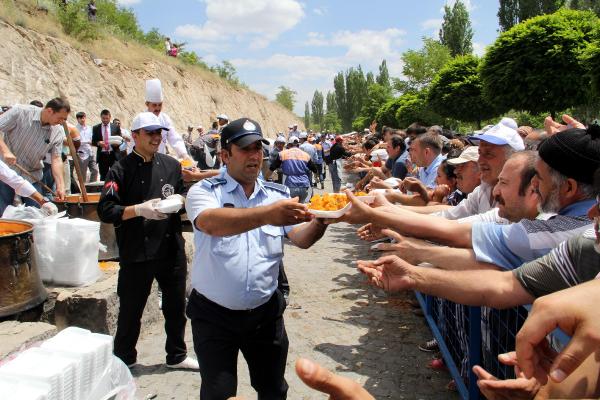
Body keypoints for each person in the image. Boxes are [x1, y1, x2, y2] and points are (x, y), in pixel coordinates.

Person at [185, 117, 328, 399]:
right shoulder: (204, 191)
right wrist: (267, 215)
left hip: (265, 314)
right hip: (214, 315)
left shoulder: (279, 194)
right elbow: (211, 223)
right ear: (224, 155)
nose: (254, 156)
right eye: (245, 149)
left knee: (273, 389)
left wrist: (323, 220)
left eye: (258, 149)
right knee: (219, 393)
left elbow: (301, 238)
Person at [97, 112, 198, 370]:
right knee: (131, 311)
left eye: (159, 133)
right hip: (136, 251)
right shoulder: (119, 169)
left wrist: (181, 202)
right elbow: (106, 210)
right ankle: (124, 360)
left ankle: (176, 355)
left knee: (176, 307)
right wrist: (138, 210)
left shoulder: (171, 165)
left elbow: (183, 193)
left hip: (169, 247)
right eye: (150, 133)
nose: (156, 138)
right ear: (135, 136)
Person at [0, 98, 67, 214]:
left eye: (64, 119)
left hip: (32, 175)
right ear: (50, 111)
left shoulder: (58, 131)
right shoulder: (20, 112)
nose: (61, 122)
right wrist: (5, 150)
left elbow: (56, 158)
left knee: (38, 214)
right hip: (6, 172)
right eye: (60, 118)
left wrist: (60, 185)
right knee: (3, 213)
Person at [144, 79, 189, 159]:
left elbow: (174, 137)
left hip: (160, 159)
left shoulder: (165, 119)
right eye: (154, 105)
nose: (157, 108)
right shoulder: (141, 120)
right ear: (147, 104)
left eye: (160, 105)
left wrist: (184, 154)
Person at [268, 136, 316, 203]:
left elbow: (272, 167)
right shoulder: (306, 155)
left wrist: (266, 178)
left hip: (291, 185)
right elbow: (314, 169)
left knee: (291, 209)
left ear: (289, 145)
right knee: (301, 207)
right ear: (298, 145)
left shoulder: (282, 154)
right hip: (304, 186)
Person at [92, 109, 122, 181]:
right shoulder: (96, 128)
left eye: (107, 118)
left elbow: (121, 140)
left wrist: (116, 144)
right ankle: (104, 191)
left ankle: (116, 191)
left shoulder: (115, 127)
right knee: (103, 176)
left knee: (115, 174)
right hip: (102, 155)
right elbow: (93, 141)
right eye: (103, 118)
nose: (105, 120)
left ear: (110, 117)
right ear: (101, 117)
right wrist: (98, 143)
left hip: (113, 154)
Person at [75, 111, 98, 183]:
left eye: (83, 117)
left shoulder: (89, 128)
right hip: (82, 153)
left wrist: (92, 142)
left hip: (90, 152)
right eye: (80, 118)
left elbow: (92, 139)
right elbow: (76, 141)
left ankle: (91, 186)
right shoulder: (75, 129)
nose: (82, 119)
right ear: (77, 119)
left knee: (95, 170)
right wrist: (86, 142)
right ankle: (84, 190)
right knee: (83, 174)